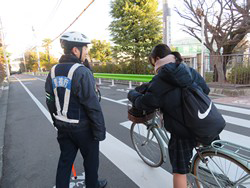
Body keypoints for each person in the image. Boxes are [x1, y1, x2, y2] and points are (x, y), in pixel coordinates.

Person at [128, 44, 210, 188]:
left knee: (179, 170)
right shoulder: (188, 69)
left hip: (182, 130)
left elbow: (146, 103)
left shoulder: (162, 78)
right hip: (204, 122)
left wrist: (133, 95)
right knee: (191, 156)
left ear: (157, 59)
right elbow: (205, 89)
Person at [45, 31, 107, 188]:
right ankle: (93, 185)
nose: (86, 52)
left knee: (65, 161)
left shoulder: (52, 71)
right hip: (84, 128)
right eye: (85, 48)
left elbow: (50, 100)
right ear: (75, 50)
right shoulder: (81, 72)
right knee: (91, 161)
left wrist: (57, 121)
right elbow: (92, 105)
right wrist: (99, 131)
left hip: (63, 126)